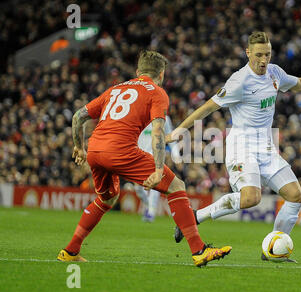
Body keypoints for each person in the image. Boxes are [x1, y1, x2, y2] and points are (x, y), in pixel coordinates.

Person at [167, 31, 301, 261]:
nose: (263, 60)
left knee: (296, 196)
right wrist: (180, 130)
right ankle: (195, 217)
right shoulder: (239, 81)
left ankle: (272, 249)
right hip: (241, 146)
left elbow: (299, 83)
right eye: (259, 54)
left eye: (267, 54)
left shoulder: (274, 72)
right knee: (251, 198)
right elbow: (209, 106)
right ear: (248, 53)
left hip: (266, 146)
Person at [57, 50, 231, 267]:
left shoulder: (115, 89)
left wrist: (78, 147)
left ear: (138, 71)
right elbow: (158, 131)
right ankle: (199, 250)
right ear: (162, 74)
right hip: (121, 150)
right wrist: (159, 170)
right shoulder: (157, 92)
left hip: (94, 150)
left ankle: (70, 251)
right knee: (176, 185)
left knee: (107, 198)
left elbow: (78, 116)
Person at [135, 115, 180, 222]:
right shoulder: (139, 115)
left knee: (156, 183)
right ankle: (147, 204)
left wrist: (176, 155)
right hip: (139, 155)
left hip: (156, 155)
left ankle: (151, 211)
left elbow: (171, 136)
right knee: (138, 188)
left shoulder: (164, 118)